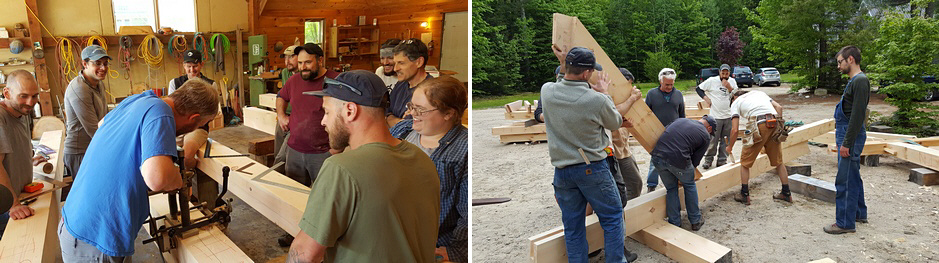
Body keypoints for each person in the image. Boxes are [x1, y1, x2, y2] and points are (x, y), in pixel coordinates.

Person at [288, 70, 440, 262]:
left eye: (327, 112)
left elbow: (305, 254)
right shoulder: (422, 158)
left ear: (350, 111)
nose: (323, 121)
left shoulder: (341, 169)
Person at [60, 79, 219, 261]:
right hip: (95, 240)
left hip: (79, 224)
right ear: (193, 118)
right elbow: (158, 179)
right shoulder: (162, 113)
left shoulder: (138, 100)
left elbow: (101, 124)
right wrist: (177, 178)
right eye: (200, 125)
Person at [542, 45, 640, 263]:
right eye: (592, 71)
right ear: (586, 73)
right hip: (591, 169)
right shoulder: (596, 100)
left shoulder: (547, 91)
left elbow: (562, 83)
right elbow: (614, 122)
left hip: (562, 173)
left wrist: (563, 62)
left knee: (573, 226)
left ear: (567, 67)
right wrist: (604, 93)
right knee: (613, 218)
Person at [390, 77, 468, 262]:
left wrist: (456, 249)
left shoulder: (464, 150)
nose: (411, 113)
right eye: (411, 105)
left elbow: (466, 212)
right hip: (392, 234)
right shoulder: (403, 130)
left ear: (448, 113)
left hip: (431, 244)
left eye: (420, 110)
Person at [275, 43, 340, 246]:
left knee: (324, 199)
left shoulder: (336, 81)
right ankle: (293, 231)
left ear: (320, 60)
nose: (302, 67)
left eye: (308, 62)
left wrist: (337, 147)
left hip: (323, 152)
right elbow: (280, 97)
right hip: (295, 149)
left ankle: (321, 241)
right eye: (300, 62)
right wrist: (281, 115)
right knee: (294, 195)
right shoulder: (294, 80)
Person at [824, 45, 870, 234]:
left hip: (850, 135)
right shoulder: (855, 81)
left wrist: (846, 143)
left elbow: (858, 116)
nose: (838, 66)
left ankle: (845, 222)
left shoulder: (860, 81)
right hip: (847, 133)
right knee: (853, 175)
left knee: (845, 180)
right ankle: (858, 212)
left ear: (850, 59)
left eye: (840, 62)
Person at [167, 49, 219, 211]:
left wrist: (196, 120)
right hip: (178, 127)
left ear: (201, 65)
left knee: (188, 154)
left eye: (195, 66)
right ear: (183, 66)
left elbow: (213, 113)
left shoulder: (211, 85)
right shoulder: (175, 83)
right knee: (170, 153)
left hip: (198, 127)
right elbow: (171, 110)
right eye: (188, 66)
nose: (192, 70)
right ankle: (177, 192)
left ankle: (187, 194)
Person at [645, 116, 714, 230]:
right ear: (709, 128)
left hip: (658, 157)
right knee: (689, 185)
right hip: (678, 159)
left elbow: (665, 133)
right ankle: (695, 221)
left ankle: (674, 222)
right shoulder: (705, 135)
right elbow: (695, 161)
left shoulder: (680, 120)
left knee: (671, 189)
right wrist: (685, 175)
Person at [725, 90, 791, 205]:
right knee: (779, 162)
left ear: (734, 97)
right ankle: (786, 193)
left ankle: (744, 195)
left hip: (758, 124)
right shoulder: (759, 93)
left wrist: (730, 146)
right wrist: (778, 129)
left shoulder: (736, 102)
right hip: (774, 121)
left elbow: (735, 130)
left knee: (745, 163)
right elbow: (779, 108)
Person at [63, 45, 111, 193]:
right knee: (88, 194)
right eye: (97, 63)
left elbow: (105, 116)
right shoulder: (79, 88)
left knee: (99, 190)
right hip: (80, 151)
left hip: (93, 146)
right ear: (85, 64)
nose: (103, 68)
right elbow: (93, 129)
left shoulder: (98, 84)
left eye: (105, 63)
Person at [0, 70, 42, 235]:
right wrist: (13, 205)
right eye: (23, 96)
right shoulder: (1, 117)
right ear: (7, 93)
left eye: (34, 96)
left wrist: (27, 159)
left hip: (21, 194)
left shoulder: (22, 112)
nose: (30, 102)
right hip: (5, 206)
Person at [645, 68, 685, 193]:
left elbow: (682, 114)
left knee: (675, 158)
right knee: (655, 159)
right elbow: (646, 114)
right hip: (657, 133)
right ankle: (651, 184)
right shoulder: (652, 94)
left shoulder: (678, 94)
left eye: (671, 84)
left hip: (674, 132)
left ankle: (675, 182)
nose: (669, 87)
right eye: (667, 84)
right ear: (660, 82)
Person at [695, 64, 736, 169]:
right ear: (719, 72)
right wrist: (706, 98)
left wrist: (729, 87)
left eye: (727, 73)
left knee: (725, 140)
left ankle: (722, 160)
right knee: (713, 140)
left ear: (729, 73)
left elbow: (736, 96)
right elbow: (698, 89)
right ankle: (708, 160)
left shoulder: (732, 81)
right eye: (723, 73)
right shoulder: (712, 81)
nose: (724, 75)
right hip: (715, 116)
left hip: (728, 116)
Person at [387, 38, 433, 127]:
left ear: (419, 62)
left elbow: (411, 128)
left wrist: (391, 120)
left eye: (401, 63)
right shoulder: (401, 84)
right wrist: (393, 119)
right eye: (395, 63)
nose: (395, 68)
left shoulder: (431, 91)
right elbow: (386, 111)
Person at [275, 45, 301, 174]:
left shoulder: (305, 75)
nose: (287, 61)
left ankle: (274, 180)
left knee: (282, 157)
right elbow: (282, 96)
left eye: (291, 57)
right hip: (284, 116)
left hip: (297, 120)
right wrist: (281, 115)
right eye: (285, 57)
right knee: (277, 151)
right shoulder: (285, 73)